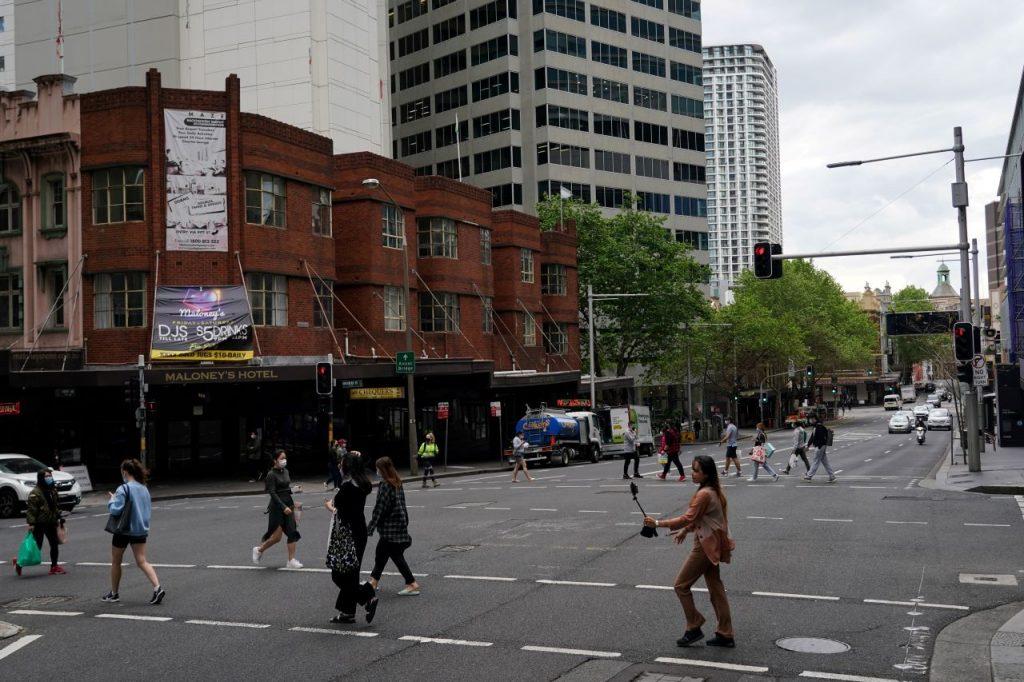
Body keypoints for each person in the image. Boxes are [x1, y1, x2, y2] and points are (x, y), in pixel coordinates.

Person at [644, 454, 735, 648]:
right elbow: (699, 519)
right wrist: (685, 531)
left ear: (706, 474)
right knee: (716, 589)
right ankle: (725, 633)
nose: (692, 473)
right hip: (713, 542)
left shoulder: (704, 494)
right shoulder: (712, 490)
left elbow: (688, 517)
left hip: (705, 545)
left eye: (696, 470)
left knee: (681, 585)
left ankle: (694, 625)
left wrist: (658, 523)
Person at [325, 451, 378, 624]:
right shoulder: (362, 483)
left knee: (338, 574)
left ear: (347, 466)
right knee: (351, 573)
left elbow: (340, 510)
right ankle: (347, 613)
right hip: (359, 532)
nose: (339, 465)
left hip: (347, 535)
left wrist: (329, 506)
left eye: (342, 463)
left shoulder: (347, 487)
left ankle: (367, 595)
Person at [102, 459, 164, 605]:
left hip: (123, 530)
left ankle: (114, 593)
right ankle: (157, 587)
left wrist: (112, 500)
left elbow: (115, 509)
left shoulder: (123, 488)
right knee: (142, 560)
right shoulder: (144, 488)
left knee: (116, 561)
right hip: (140, 529)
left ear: (125, 472)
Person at [367, 457, 420, 596]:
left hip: (390, 528)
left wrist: (370, 527)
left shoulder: (385, 484)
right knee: (382, 553)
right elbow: (402, 504)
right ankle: (373, 581)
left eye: (377, 468)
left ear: (382, 469)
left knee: (394, 555)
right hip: (398, 524)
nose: (376, 471)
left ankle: (412, 583)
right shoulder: (396, 481)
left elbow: (380, 508)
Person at [252, 450, 303, 568]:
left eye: (285, 458)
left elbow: (285, 489)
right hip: (277, 507)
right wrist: (283, 506)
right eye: (282, 458)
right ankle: (259, 549)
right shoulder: (271, 474)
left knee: (292, 532)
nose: (284, 460)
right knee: (276, 537)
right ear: (275, 460)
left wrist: (294, 489)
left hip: (288, 504)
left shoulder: (286, 471)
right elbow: (273, 492)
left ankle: (291, 561)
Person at [14, 468, 65, 576]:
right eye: (46, 476)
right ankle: (19, 563)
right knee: (36, 546)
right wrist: (31, 523)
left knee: (54, 544)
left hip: (51, 521)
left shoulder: (52, 490)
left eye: (50, 476)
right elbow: (31, 510)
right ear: (41, 478)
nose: (49, 478)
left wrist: (59, 516)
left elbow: (54, 506)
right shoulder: (35, 493)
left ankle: (54, 567)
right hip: (40, 523)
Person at [803, 418, 836, 483]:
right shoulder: (817, 427)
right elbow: (812, 437)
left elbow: (819, 438)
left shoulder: (819, 428)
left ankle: (809, 476)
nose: (810, 421)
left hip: (820, 447)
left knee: (816, 461)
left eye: (811, 419)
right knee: (825, 462)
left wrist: (818, 446)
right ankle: (832, 476)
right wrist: (808, 446)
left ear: (815, 420)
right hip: (822, 446)